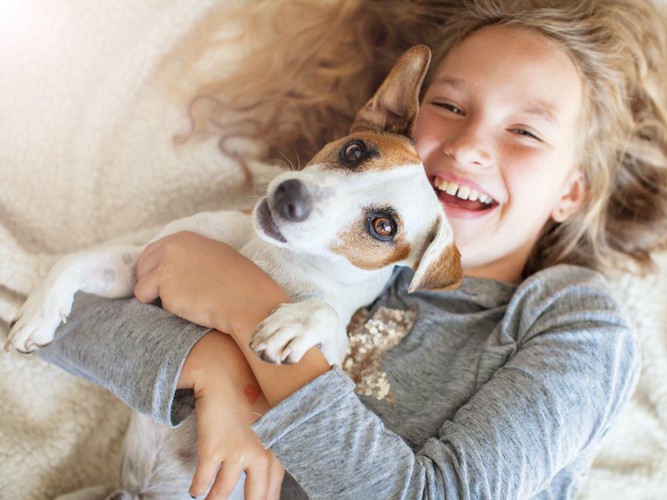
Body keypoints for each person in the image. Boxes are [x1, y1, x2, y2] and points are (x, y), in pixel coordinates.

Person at [38, 0, 667, 498]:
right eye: (448, 105)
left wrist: (245, 313)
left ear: (572, 192)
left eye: (526, 131)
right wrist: (212, 369)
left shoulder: (577, 320)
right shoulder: (332, 236)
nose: (469, 144)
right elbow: (53, 323)